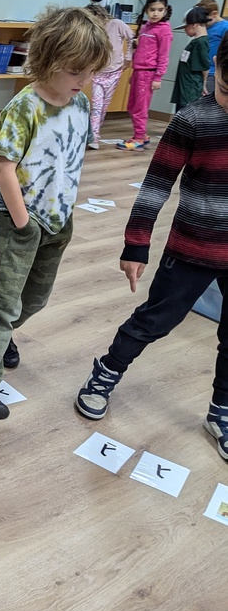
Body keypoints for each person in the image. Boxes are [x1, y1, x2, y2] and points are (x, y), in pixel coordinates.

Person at [75, 38, 228, 464]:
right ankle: (104, 374)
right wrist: (135, 244)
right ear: (216, 67)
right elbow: (156, 186)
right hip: (192, 249)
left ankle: (222, 411)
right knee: (154, 320)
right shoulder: (192, 120)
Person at [0, 6, 111, 420]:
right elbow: (4, 167)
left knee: (36, 299)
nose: (84, 81)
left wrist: (62, 214)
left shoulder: (80, 105)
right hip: (17, 222)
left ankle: (5, 338)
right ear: (48, 60)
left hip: (59, 220)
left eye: (90, 72)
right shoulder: (24, 106)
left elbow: (69, 161)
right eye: (75, 71)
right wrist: (23, 222)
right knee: (1, 304)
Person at [117, 0, 173, 151]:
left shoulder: (164, 30)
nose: (155, 13)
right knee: (132, 105)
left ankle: (139, 138)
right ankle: (142, 135)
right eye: (152, 9)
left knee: (140, 107)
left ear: (165, 10)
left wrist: (158, 77)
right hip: (138, 71)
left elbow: (164, 56)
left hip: (149, 73)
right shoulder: (146, 26)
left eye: (160, 10)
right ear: (147, 10)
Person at [84, 4, 134, 149]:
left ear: (99, 15)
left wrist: (128, 58)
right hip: (98, 73)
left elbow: (132, 38)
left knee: (103, 107)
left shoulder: (116, 24)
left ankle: (94, 133)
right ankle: (93, 138)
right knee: (97, 106)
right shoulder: (92, 30)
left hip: (114, 73)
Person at [171, 6, 209, 111]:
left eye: (186, 26)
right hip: (184, 89)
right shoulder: (195, 42)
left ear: (194, 25)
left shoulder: (201, 43)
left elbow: (205, 66)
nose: (184, 29)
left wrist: (204, 84)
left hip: (190, 91)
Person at [195, 0, 228, 95]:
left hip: (213, 73)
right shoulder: (206, 27)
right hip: (201, 71)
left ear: (214, 14)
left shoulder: (225, 27)